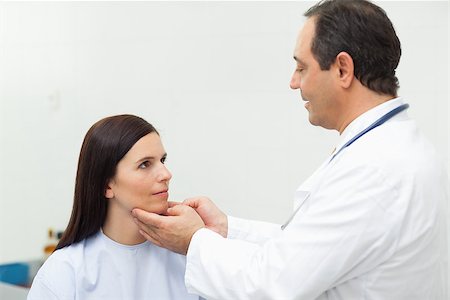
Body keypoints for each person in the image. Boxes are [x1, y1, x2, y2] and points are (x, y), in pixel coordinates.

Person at [132, 1, 448, 299]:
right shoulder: (391, 147)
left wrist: (193, 241)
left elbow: (273, 285)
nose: (294, 83)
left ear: (342, 69)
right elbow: (313, 252)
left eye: (302, 68)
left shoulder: (375, 169)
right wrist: (227, 229)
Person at [28, 115, 200, 300]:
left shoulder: (189, 257)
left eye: (162, 161)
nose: (166, 174)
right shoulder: (65, 271)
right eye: (145, 164)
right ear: (107, 186)